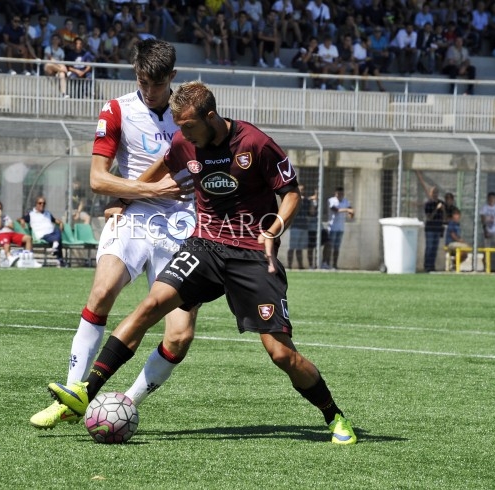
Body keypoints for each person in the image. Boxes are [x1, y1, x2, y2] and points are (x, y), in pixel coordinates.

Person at [48, 80, 357, 445]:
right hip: (204, 245)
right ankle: (87, 390)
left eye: (189, 125)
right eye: (179, 126)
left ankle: (334, 415)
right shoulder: (184, 142)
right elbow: (161, 167)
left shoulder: (255, 143)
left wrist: (274, 228)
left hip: (251, 253)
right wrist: (123, 199)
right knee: (150, 306)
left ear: (211, 117)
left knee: (281, 354)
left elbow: (290, 194)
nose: (182, 133)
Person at [30, 39, 198, 430]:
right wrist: (146, 192)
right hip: (135, 215)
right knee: (102, 292)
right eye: (142, 81)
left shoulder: (190, 116)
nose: (148, 90)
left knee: (179, 334)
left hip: (184, 226)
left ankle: (124, 404)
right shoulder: (117, 109)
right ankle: (72, 397)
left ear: (171, 78)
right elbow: (97, 179)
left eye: (156, 84)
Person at [0, 201, 40, 268]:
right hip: (0, 234)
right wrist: (0, 217)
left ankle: (29, 259)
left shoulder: (6, 216)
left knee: (28, 238)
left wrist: (4, 224)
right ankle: (10, 258)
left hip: (11, 233)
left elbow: (12, 226)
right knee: (6, 243)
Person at [19, 196, 66, 268]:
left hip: (52, 233)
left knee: (57, 230)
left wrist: (61, 223)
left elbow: (55, 220)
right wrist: (22, 220)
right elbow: (20, 219)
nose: (42, 205)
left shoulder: (47, 213)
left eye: (44, 203)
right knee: (58, 239)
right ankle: (59, 258)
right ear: (36, 204)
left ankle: (55, 246)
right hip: (42, 235)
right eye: (40, 203)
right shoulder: (31, 214)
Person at [323, 186, 353, 271]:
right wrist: (348, 210)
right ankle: (326, 263)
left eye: (341, 193)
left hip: (340, 228)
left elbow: (351, 210)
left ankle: (334, 265)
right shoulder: (331, 200)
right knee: (329, 246)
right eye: (338, 193)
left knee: (337, 248)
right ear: (335, 193)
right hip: (332, 228)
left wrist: (351, 213)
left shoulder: (345, 201)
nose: (340, 195)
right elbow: (335, 210)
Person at [286, 184, 310, 269]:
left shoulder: (307, 201)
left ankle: (300, 265)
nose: (301, 191)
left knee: (300, 248)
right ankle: (289, 265)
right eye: (300, 190)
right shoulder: (294, 199)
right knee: (292, 247)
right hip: (295, 226)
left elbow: (311, 212)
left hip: (304, 226)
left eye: (303, 190)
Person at [423, 185, 445, 272]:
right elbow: (429, 217)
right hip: (430, 229)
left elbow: (445, 217)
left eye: (436, 192)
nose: (435, 194)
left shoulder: (441, 203)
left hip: (438, 228)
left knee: (435, 248)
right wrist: (436, 209)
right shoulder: (428, 204)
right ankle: (427, 266)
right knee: (430, 247)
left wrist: (443, 210)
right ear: (430, 193)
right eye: (433, 192)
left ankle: (432, 266)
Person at [43, 33, 69, 98]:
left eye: (56, 39)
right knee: (50, 64)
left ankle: (63, 93)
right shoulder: (48, 48)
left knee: (62, 74)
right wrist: (62, 67)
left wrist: (61, 67)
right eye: (53, 39)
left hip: (57, 69)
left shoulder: (61, 51)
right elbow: (50, 58)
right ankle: (63, 70)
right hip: (48, 68)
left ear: (59, 41)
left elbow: (62, 61)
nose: (55, 40)